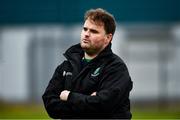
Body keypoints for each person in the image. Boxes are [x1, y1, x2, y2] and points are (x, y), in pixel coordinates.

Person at [42, 8, 133, 119]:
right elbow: (50, 104)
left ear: (108, 38)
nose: (86, 34)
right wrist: (89, 102)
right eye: (85, 29)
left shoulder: (116, 68)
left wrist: (70, 97)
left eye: (93, 31)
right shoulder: (67, 66)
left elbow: (102, 104)